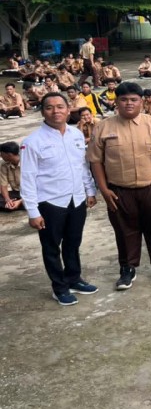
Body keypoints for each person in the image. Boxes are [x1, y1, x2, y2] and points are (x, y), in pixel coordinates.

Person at [87, 82, 151, 290]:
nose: (129, 103)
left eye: (133, 99)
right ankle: (127, 268)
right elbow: (95, 161)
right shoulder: (103, 127)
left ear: (141, 101)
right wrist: (103, 189)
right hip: (119, 190)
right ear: (116, 102)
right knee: (124, 230)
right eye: (124, 99)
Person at [20, 93, 98, 305]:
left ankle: (74, 278)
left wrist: (90, 191)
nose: (56, 111)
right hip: (50, 203)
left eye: (60, 106)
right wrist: (33, 212)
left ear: (68, 109)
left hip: (76, 199)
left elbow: (82, 166)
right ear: (42, 111)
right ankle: (59, 287)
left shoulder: (75, 134)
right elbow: (27, 178)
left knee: (73, 242)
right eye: (49, 107)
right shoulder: (33, 141)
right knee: (52, 247)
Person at [0, 141, 24, 212]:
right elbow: (3, 185)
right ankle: (13, 205)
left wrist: (20, 201)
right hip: (17, 193)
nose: (0, 156)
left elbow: (40, 188)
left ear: (9, 155)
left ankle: (19, 204)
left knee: (42, 200)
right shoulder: (3, 164)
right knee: (6, 201)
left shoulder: (28, 162)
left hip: (32, 193)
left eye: (1, 154)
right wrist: (7, 200)